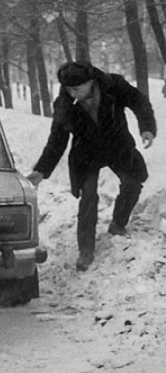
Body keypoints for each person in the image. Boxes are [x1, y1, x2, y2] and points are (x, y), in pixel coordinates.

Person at [27, 60, 156, 271]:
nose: (72, 93)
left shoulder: (113, 85)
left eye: (76, 88)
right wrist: (42, 170)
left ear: (90, 81)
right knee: (88, 196)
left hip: (117, 144)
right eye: (68, 89)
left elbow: (139, 101)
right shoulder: (64, 104)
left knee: (133, 182)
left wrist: (147, 127)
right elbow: (57, 140)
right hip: (86, 152)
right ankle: (86, 249)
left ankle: (118, 224)